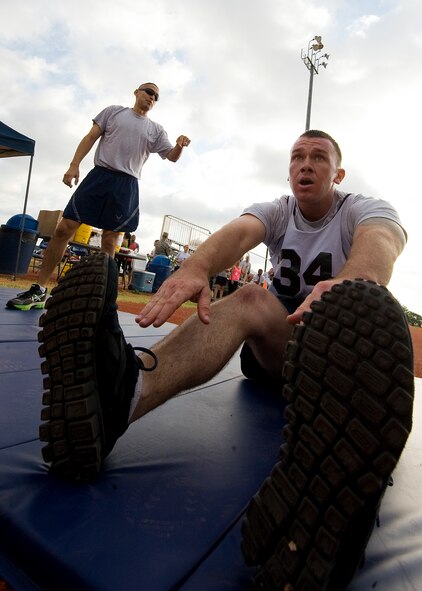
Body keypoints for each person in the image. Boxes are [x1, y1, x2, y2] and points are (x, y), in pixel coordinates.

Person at [38, 130, 414, 591]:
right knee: (250, 297)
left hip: (333, 355)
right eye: (298, 157)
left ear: (338, 173)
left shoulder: (362, 208)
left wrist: (351, 283)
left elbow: (383, 241)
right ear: (289, 168)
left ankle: (341, 493)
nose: (306, 165)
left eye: (318, 158)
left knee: (359, 313)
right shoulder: (279, 209)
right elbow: (240, 232)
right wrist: (198, 265)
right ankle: (121, 396)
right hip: (280, 347)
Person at [6, 82, 190, 311]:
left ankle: (100, 300)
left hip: (126, 184)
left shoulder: (155, 129)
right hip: (99, 176)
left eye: (156, 96)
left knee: (110, 241)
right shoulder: (113, 112)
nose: (152, 97)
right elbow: (90, 137)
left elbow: (171, 156)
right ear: (136, 92)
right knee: (64, 228)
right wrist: (74, 165)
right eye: (149, 91)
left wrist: (180, 146)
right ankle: (40, 290)